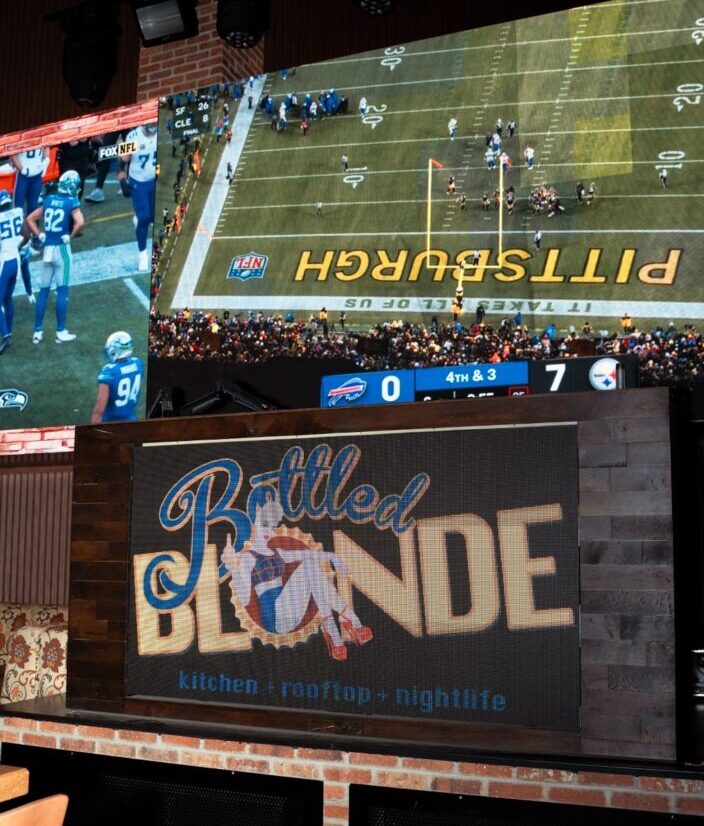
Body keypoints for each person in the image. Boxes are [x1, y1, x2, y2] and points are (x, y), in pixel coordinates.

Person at [222, 497, 372, 661]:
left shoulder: (279, 553)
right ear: (254, 523)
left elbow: (310, 554)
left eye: (272, 527)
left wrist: (332, 556)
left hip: (292, 614)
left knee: (312, 569)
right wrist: (233, 568)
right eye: (264, 525)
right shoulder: (248, 558)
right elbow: (244, 599)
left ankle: (333, 632)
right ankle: (349, 620)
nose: (269, 532)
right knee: (309, 566)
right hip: (274, 618)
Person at [24, 169, 84, 344]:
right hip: (62, 250)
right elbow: (80, 222)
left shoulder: (49, 200)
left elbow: (30, 218)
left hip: (47, 250)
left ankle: (37, 332)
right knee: (62, 292)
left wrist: (39, 234)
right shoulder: (71, 201)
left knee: (43, 292)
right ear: (72, 186)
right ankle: (60, 331)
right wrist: (71, 236)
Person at [121, 124, 157, 272]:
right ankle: (142, 253)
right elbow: (123, 160)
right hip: (138, 182)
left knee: (154, 216)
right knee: (143, 218)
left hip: (154, 180)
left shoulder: (160, 132)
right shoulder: (132, 137)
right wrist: (122, 180)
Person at [91, 330, 144, 423]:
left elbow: (99, 410)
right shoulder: (138, 363)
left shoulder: (109, 371)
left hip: (110, 420)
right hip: (131, 418)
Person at [0, 190, 24, 353]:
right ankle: (9, 332)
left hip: (3, 262)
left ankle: (6, 335)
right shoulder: (18, 212)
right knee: (8, 298)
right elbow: (26, 233)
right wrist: (18, 246)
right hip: (16, 260)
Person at [10, 147, 49, 214]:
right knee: (18, 207)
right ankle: (18, 223)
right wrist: (22, 170)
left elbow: (46, 146)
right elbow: (12, 154)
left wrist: (46, 161)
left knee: (33, 206)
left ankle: (31, 223)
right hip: (22, 176)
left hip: (37, 174)